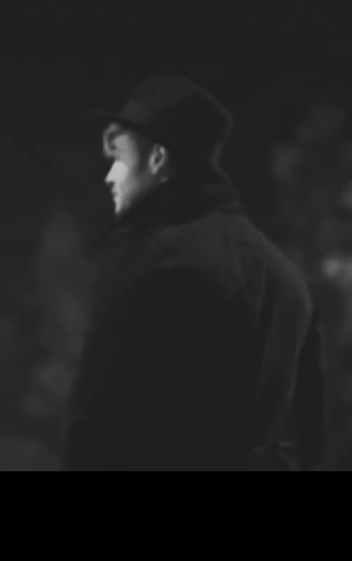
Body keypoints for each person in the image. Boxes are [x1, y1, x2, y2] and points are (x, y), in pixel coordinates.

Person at [62, 74, 326, 471]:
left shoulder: (147, 254)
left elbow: (97, 416)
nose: (109, 175)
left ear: (157, 159)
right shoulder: (288, 279)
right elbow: (310, 436)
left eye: (119, 158)